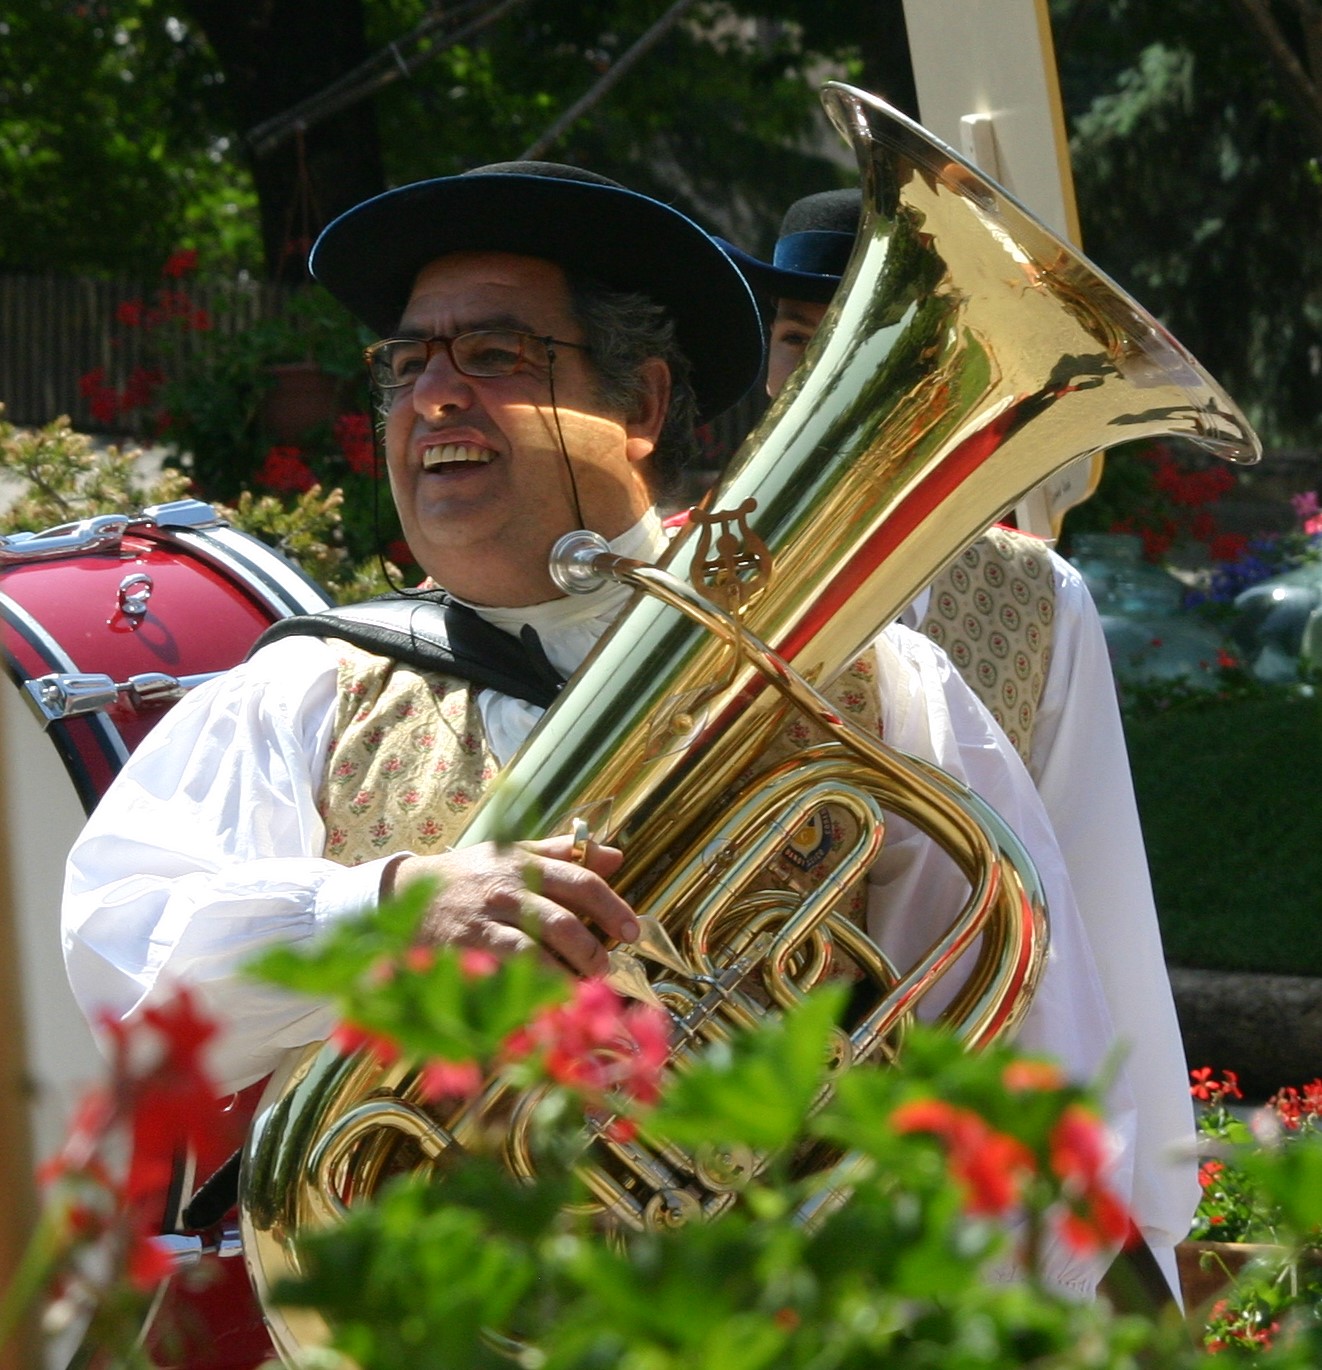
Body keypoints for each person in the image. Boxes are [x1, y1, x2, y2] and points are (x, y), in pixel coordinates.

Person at [63, 163, 1133, 1303]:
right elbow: (129, 972)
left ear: (643, 406)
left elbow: (1036, 1067)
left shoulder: (868, 683)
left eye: (495, 356)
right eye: (406, 363)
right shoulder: (307, 691)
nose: (431, 397)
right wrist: (386, 909)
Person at [721, 186, 1198, 1301]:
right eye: (798, 340)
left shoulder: (1031, 594)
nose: (819, 376)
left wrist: (1146, 1229)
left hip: (964, 1153)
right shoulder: (689, 573)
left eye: (863, 340)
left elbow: (1093, 894)